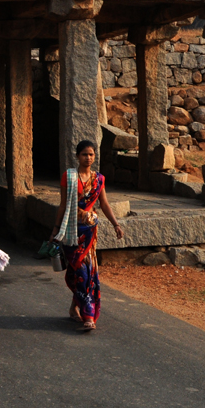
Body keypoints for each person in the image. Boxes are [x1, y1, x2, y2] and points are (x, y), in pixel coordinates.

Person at [51, 140, 125, 332]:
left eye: (91, 154)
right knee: (78, 272)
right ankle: (79, 308)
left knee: (87, 272)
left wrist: (115, 224)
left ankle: (88, 315)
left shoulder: (99, 179)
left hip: (89, 233)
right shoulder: (69, 177)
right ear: (77, 156)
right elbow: (63, 205)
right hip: (71, 232)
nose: (88, 158)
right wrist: (55, 229)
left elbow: (105, 204)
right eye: (85, 154)